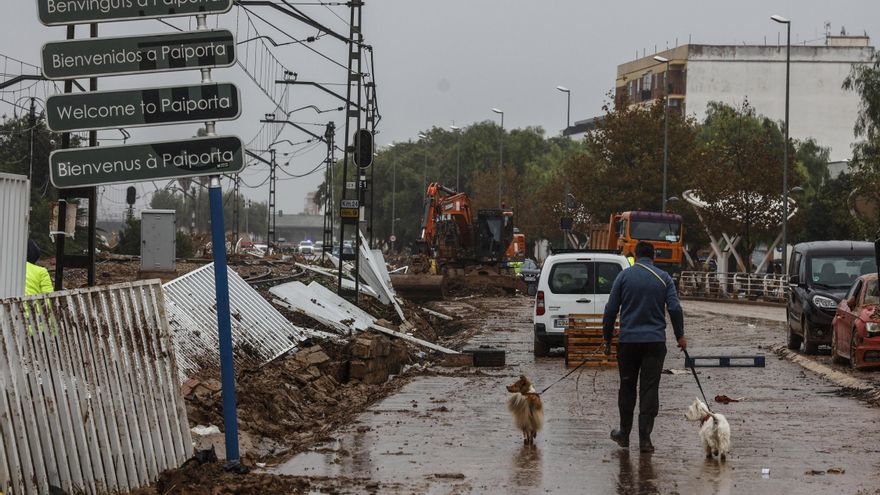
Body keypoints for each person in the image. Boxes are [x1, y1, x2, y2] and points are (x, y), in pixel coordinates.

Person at [602, 241, 686, 453]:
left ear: (635, 255)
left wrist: (607, 337)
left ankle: (624, 434)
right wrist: (680, 336)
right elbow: (675, 308)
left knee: (627, 387)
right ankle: (645, 440)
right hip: (655, 344)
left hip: (628, 343)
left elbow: (610, 309)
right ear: (654, 256)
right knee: (650, 389)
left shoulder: (624, 276)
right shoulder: (664, 278)